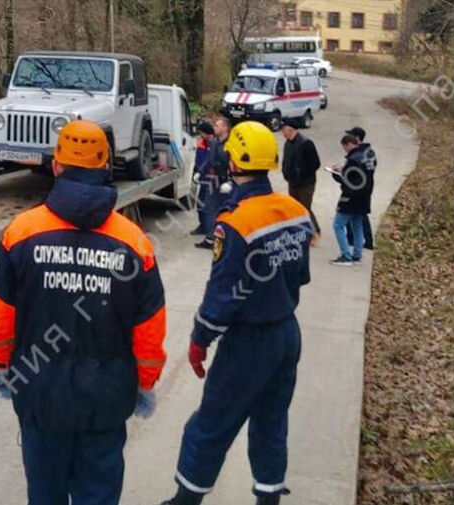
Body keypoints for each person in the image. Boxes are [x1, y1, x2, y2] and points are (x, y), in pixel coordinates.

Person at [0, 120, 167, 505]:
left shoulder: (21, 232)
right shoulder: (134, 242)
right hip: (106, 398)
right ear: (106, 168)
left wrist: (3, 365)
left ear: (55, 166)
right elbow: (149, 328)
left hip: (40, 392)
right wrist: (144, 383)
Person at [157, 121, 313, 505]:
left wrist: (199, 340)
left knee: (211, 424)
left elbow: (221, 298)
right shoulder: (295, 211)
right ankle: (269, 496)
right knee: (271, 421)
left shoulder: (235, 223)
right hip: (287, 334)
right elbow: (300, 276)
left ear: (231, 161)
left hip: (249, 342)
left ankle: (185, 499)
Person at [329, 134, 374, 266]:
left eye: (344, 147)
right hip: (364, 197)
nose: (345, 150)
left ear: (348, 144)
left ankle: (345, 255)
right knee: (357, 226)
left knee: (338, 225)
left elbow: (347, 180)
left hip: (350, 198)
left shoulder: (352, 159)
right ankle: (357, 254)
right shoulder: (368, 156)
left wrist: (335, 173)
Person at [280, 119, 322, 240]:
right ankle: (298, 232)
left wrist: (302, 172)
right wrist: (286, 172)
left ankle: (314, 232)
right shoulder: (288, 143)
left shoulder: (306, 143)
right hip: (292, 182)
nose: (282, 132)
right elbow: (286, 160)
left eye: (283, 129)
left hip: (306, 183)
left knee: (304, 208)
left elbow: (315, 163)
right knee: (294, 208)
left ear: (290, 129)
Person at [196, 117, 231, 249]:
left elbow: (235, 165)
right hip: (213, 182)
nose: (214, 127)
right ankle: (211, 238)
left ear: (225, 128)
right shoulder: (215, 143)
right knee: (208, 210)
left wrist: (230, 182)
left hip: (226, 184)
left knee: (226, 212)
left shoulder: (231, 144)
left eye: (217, 125)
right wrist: (200, 172)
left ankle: (225, 239)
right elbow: (209, 160)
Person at [343, 127, 374, 250]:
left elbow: (361, 172)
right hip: (364, 186)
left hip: (360, 188)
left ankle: (366, 241)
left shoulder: (359, 154)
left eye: (350, 136)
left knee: (360, 214)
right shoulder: (368, 151)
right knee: (356, 212)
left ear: (356, 138)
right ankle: (353, 238)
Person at [192, 121, 214, 235]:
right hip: (203, 178)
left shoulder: (215, 145)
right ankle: (203, 226)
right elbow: (198, 161)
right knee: (200, 204)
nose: (200, 134)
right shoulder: (201, 144)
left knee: (209, 206)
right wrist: (196, 172)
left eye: (201, 132)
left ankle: (210, 230)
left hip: (213, 180)